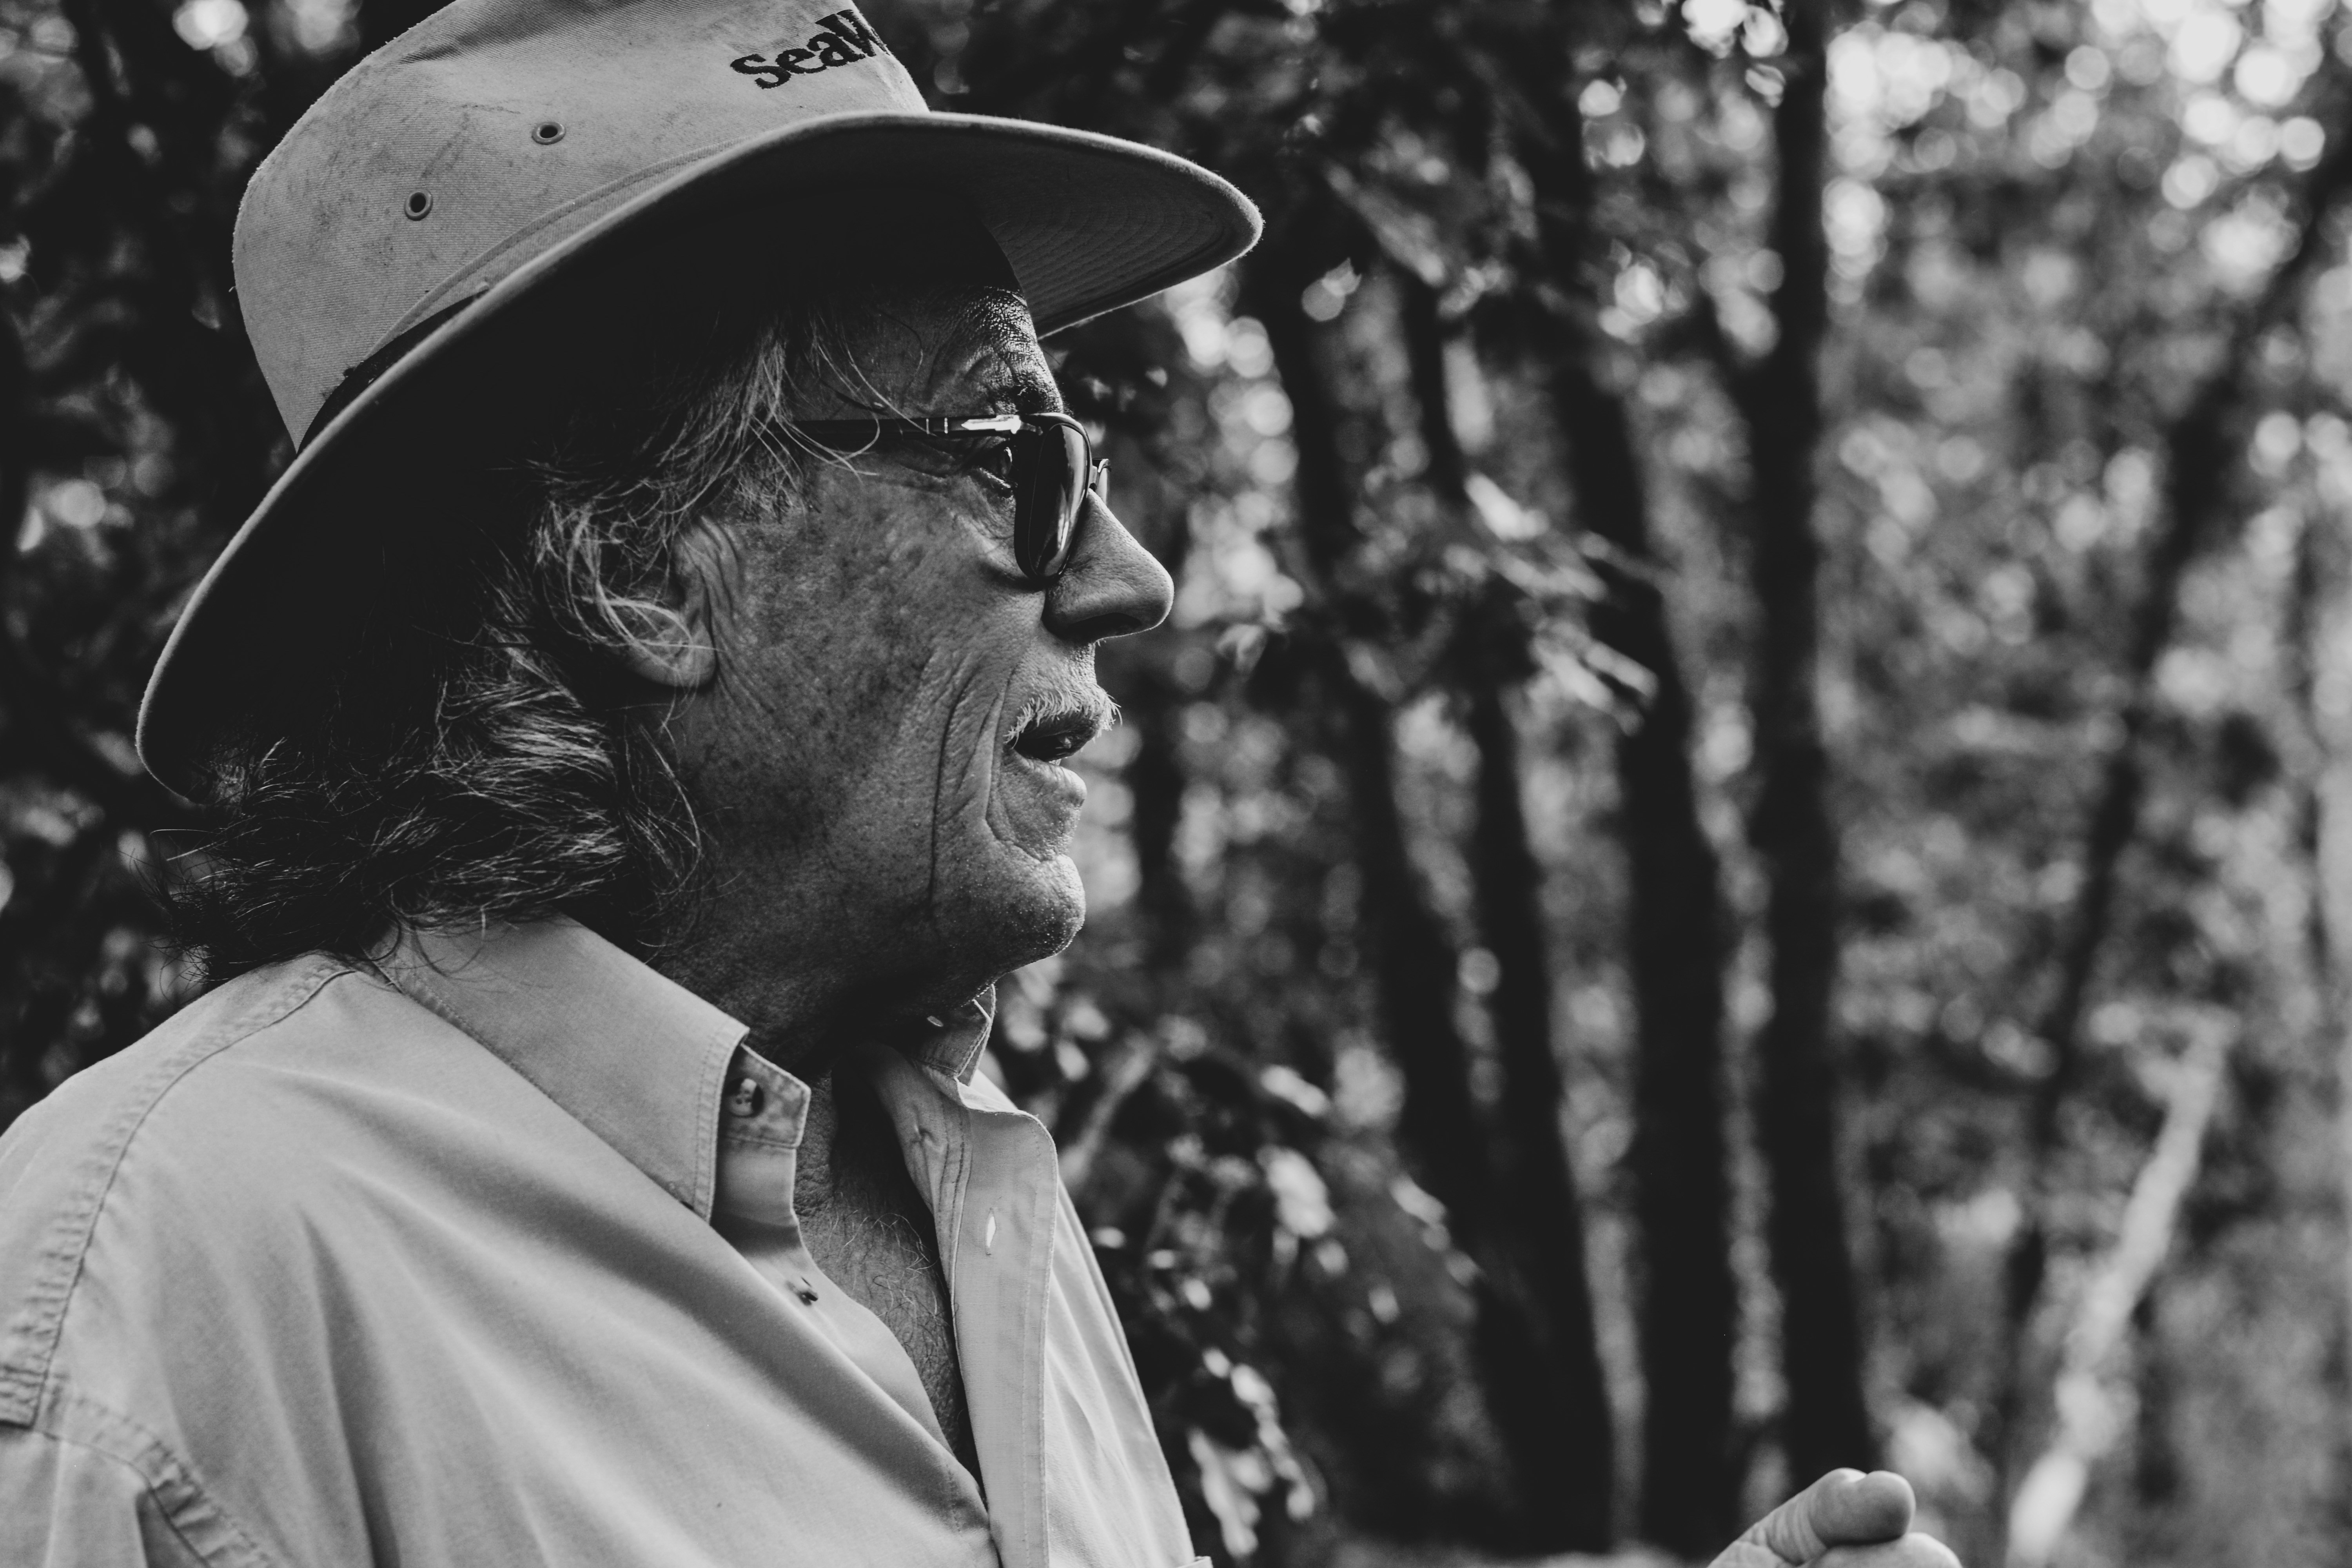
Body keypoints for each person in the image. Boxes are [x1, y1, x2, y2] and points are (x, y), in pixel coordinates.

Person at [0, 0, 1962, 1563]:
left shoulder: (966, 1178)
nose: (1129, 576)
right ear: (634, 568)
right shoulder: (146, 1314)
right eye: (1008, 450)